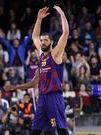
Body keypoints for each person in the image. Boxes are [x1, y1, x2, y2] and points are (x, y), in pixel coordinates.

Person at [6, 6, 69, 135]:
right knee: (37, 129)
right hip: (42, 98)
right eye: (41, 40)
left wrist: (62, 14)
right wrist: (39, 19)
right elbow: (34, 35)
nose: (42, 42)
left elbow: (66, 32)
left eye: (45, 40)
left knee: (60, 129)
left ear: (51, 42)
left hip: (54, 98)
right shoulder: (41, 55)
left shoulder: (56, 54)